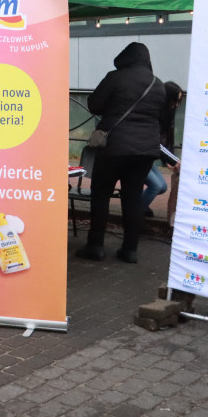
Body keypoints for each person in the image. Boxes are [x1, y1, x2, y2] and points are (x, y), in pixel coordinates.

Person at [75, 42, 165, 264]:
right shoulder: (158, 84)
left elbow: (95, 104)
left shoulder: (116, 77)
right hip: (145, 150)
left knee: (101, 195)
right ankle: (130, 250)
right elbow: (159, 117)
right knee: (133, 197)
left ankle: (95, 246)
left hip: (114, 146)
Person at [140, 81, 184, 218]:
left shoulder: (167, 114)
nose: (176, 105)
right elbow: (155, 142)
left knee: (162, 187)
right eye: (175, 100)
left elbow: (166, 141)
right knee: (156, 186)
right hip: (138, 155)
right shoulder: (154, 112)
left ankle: (134, 205)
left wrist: (169, 161)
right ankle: (134, 213)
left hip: (147, 157)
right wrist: (173, 159)